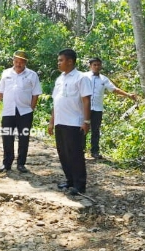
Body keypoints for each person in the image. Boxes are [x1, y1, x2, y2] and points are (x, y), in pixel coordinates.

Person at [47, 48, 92, 195]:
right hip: (60, 121)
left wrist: (86, 121)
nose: (58, 63)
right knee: (63, 153)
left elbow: (86, 100)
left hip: (74, 122)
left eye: (61, 60)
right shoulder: (60, 79)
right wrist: (51, 121)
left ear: (70, 61)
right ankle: (70, 180)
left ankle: (80, 185)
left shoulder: (81, 78)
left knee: (75, 154)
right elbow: (56, 101)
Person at [0, 50, 42, 173]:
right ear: (13, 60)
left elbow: (36, 94)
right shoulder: (6, 73)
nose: (18, 64)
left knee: (23, 138)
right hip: (8, 111)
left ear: (25, 63)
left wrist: (31, 108)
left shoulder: (32, 75)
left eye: (21, 62)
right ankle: (7, 163)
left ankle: (21, 164)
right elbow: (0, 90)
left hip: (25, 112)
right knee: (7, 137)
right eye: (16, 61)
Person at [84, 57, 138, 159]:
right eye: (94, 65)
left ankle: (94, 152)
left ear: (101, 66)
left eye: (98, 65)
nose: (96, 67)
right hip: (84, 108)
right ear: (90, 66)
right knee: (83, 129)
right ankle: (80, 151)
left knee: (95, 130)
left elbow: (114, 89)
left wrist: (128, 95)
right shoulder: (84, 77)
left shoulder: (104, 79)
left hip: (97, 109)